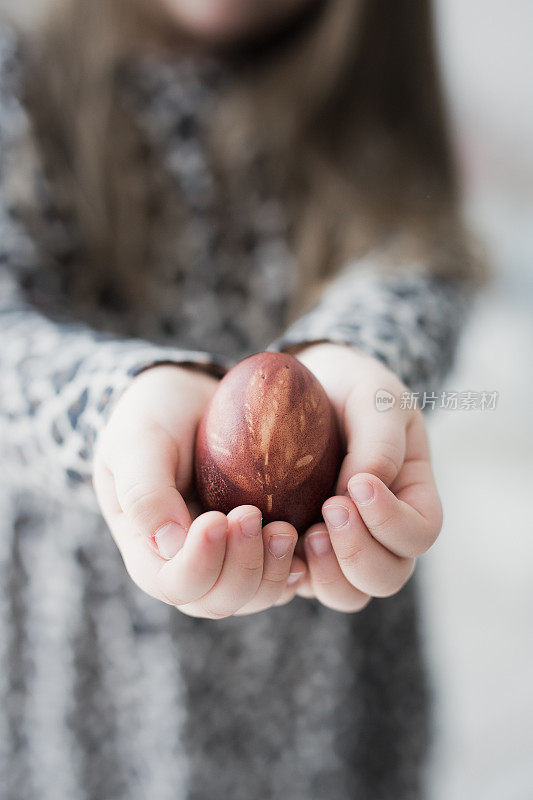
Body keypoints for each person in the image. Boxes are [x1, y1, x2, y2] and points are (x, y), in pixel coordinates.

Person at [0, 0, 482, 798]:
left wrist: (357, 358)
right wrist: (116, 405)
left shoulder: (359, 93)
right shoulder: (20, 71)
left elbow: (417, 258)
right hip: (82, 653)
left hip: (322, 652)